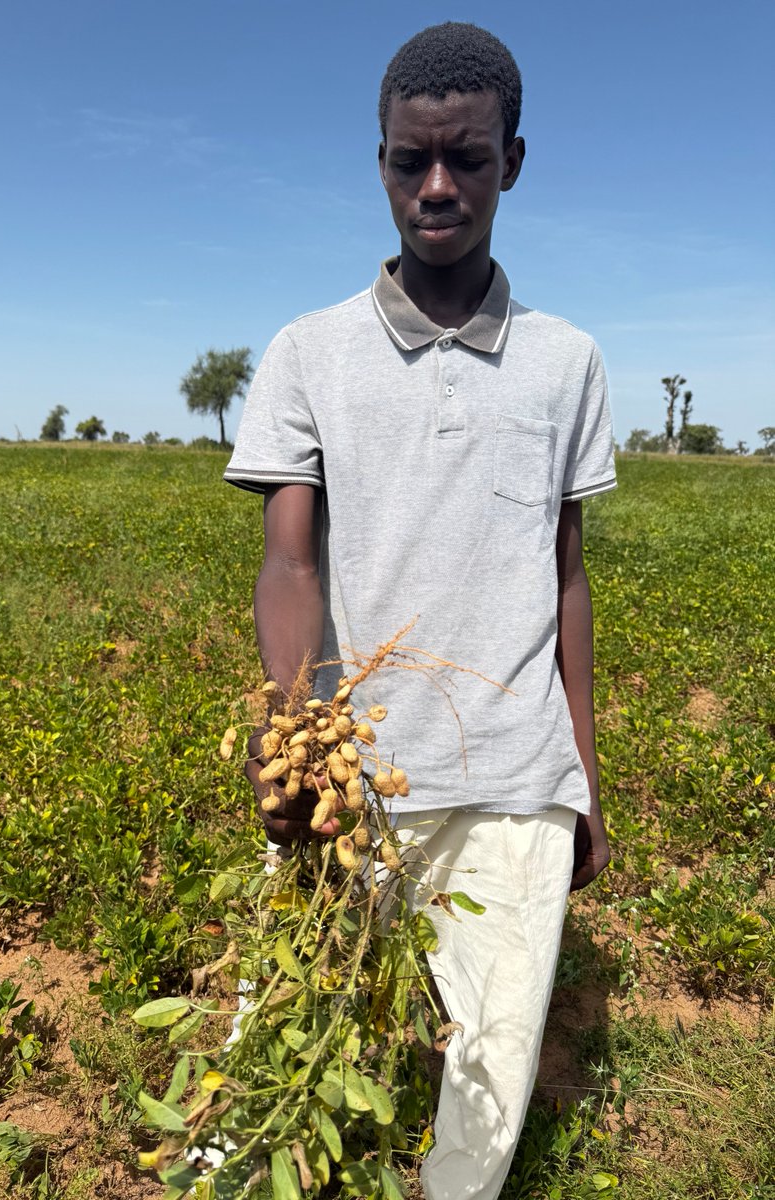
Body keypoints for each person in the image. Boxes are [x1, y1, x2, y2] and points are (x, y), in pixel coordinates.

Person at [224, 21, 616, 1200]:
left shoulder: (568, 361)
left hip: (516, 772)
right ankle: (233, 1173)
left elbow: (566, 575)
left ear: (515, 161)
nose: (438, 187)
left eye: (470, 159)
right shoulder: (311, 352)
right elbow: (291, 565)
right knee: (276, 1028)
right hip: (357, 772)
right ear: (382, 161)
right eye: (411, 160)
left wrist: (582, 776)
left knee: (491, 1071)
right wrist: (296, 737)